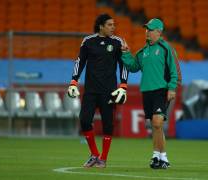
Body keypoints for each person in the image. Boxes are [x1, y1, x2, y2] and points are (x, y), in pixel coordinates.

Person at [67, 13, 129, 168]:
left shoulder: (117, 42)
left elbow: (124, 65)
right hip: (91, 90)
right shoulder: (88, 41)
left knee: (108, 125)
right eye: (109, 24)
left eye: (114, 25)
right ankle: (94, 154)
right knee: (84, 120)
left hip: (109, 91)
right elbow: (79, 61)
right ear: (101, 26)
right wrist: (74, 80)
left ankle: (103, 158)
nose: (113, 27)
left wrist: (123, 85)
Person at [121, 18, 181, 169]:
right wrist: (126, 54)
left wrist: (172, 88)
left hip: (162, 90)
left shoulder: (166, 48)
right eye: (146, 29)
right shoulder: (142, 52)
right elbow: (133, 67)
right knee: (155, 126)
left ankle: (163, 157)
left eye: (150, 29)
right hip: (147, 91)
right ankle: (158, 157)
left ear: (159, 32)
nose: (147, 32)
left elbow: (174, 70)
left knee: (157, 122)